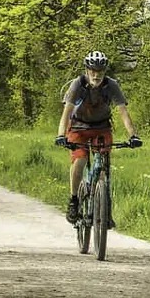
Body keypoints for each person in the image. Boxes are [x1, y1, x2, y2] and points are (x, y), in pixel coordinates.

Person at [55, 50, 140, 224]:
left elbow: (123, 112)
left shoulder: (111, 85)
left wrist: (133, 135)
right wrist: (61, 135)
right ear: (87, 70)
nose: (96, 74)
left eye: (100, 71)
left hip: (102, 127)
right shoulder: (77, 85)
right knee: (79, 160)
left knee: (103, 166)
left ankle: (105, 211)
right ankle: (74, 201)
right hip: (78, 127)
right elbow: (67, 112)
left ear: (104, 71)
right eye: (93, 71)